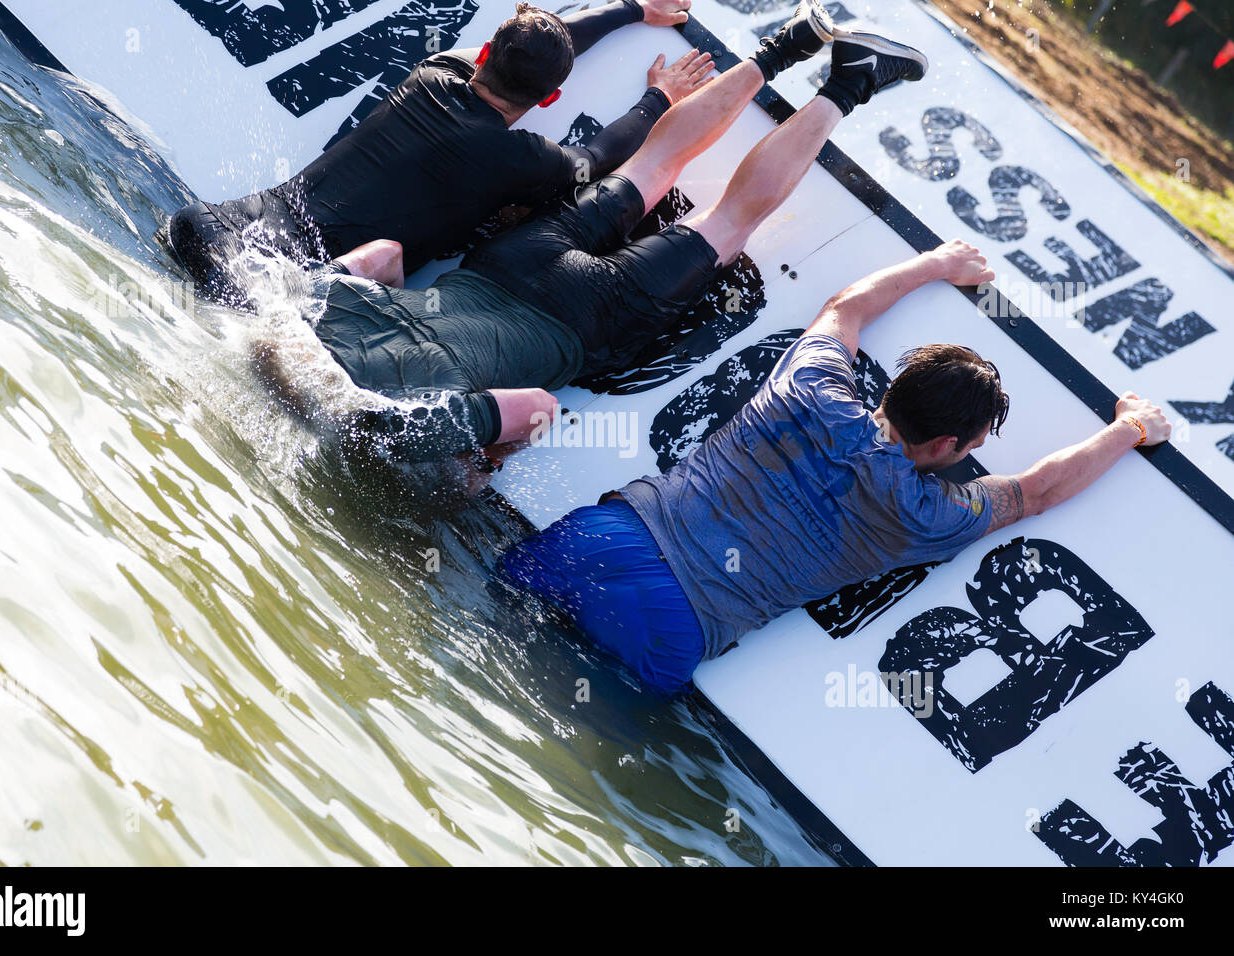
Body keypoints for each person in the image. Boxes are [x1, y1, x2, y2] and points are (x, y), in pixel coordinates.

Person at [255, 2, 928, 475]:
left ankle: (850, 81)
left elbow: (539, 407)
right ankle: (786, 45)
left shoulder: (392, 422)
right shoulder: (307, 310)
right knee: (651, 168)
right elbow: (383, 256)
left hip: (580, 324)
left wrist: (486, 462)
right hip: (502, 267)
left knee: (728, 221)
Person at [496, 237, 1175, 694]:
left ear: (890, 393)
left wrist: (937, 263)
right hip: (681, 622)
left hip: (612, 537)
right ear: (950, 449)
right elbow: (1036, 493)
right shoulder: (928, 513)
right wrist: (1126, 429)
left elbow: (844, 310)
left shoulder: (811, 387)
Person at [166, 0, 713, 305]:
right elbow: (600, 153)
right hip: (278, 278)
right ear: (551, 98)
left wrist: (633, 9)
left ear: (484, 53)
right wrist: (659, 96)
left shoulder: (434, 73)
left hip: (210, 224)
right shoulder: (523, 159)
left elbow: (530, 39)